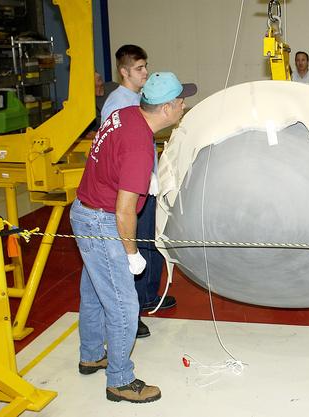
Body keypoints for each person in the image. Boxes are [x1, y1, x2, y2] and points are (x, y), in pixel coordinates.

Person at [71, 72, 197, 403]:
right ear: (168, 107)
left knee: (95, 291)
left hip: (85, 210)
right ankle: (120, 380)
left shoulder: (124, 114)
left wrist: (141, 177)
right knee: (124, 302)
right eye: (181, 101)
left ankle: (91, 354)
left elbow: (106, 157)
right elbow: (125, 211)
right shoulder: (140, 144)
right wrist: (131, 253)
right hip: (103, 221)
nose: (184, 105)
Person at [102, 45, 177, 339]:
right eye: (139, 69)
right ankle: (132, 311)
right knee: (132, 246)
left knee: (149, 242)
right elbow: (119, 150)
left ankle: (147, 296)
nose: (145, 73)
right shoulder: (117, 103)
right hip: (130, 189)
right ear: (124, 71)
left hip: (146, 184)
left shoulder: (140, 99)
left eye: (146, 67)